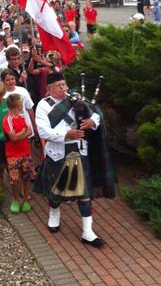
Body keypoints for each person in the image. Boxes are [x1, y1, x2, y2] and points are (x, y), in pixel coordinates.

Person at [34, 73, 116, 248]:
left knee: (84, 194)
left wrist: (92, 122)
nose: (63, 89)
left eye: (64, 85)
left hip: (79, 151)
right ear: (49, 89)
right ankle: (54, 213)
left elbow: (96, 111)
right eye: (58, 86)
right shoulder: (43, 106)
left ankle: (88, 232)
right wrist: (66, 134)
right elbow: (43, 131)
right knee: (56, 192)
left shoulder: (75, 99)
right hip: (58, 153)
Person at [3, 93, 35, 214]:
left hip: (26, 153)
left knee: (27, 177)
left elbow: (30, 131)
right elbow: (14, 138)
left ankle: (26, 199)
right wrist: (23, 132)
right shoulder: (7, 120)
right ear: (17, 105)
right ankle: (15, 200)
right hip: (13, 155)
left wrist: (21, 133)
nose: (23, 104)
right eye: (21, 102)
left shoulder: (22, 117)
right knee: (15, 180)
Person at [1, 69, 36, 138]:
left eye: (12, 79)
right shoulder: (2, 95)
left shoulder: (22, 90)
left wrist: (34, 124)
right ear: (3, 81)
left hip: (25, 126)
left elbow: (29, 109)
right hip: (12, 129)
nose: (11, 82)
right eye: (7, 80)